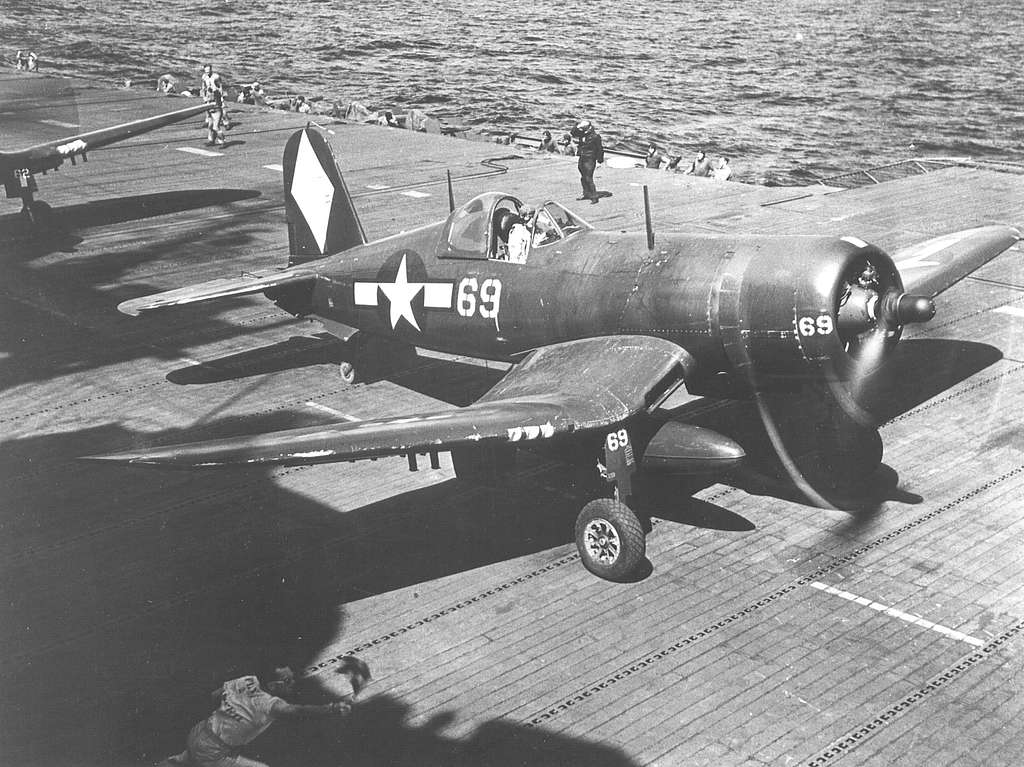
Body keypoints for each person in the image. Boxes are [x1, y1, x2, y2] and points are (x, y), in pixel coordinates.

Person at [163, 658, 370, 767]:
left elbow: (214, 695)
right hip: (213, 752)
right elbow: (298, 711)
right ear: (273, 685)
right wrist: (332, 708)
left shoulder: (246, 679)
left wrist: (232, 709)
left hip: (199, 733)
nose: (293, 683)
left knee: (184, 761)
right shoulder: (270, 704)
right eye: (287, 681)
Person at [572, 120, 604, 204]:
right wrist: (577, 126)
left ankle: (594, 196)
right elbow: (573, 133)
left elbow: (600, 149)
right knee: (583, 177)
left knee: (588, 178)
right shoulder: (582, 133)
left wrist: (599, 160)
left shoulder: (595, 136)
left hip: (590, 159)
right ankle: (585, 193)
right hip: (582, 157)